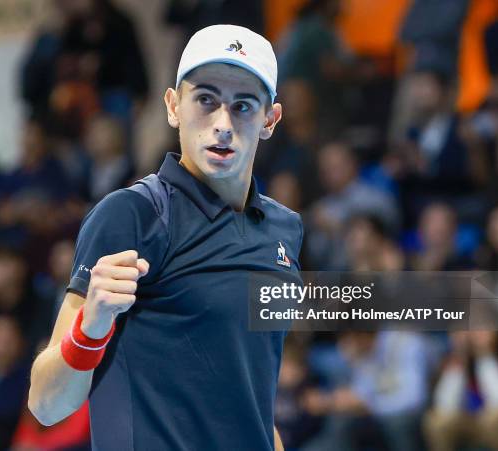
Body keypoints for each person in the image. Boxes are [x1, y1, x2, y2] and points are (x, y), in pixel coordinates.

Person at [28, 24, 304, 451]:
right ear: (173, 106)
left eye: (244, 106)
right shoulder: (130, 215)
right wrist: (92, 326)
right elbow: (46, 404)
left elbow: (251, 400)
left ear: (270, 120)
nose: (223, 125)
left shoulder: (284, 230)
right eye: (205, 100)